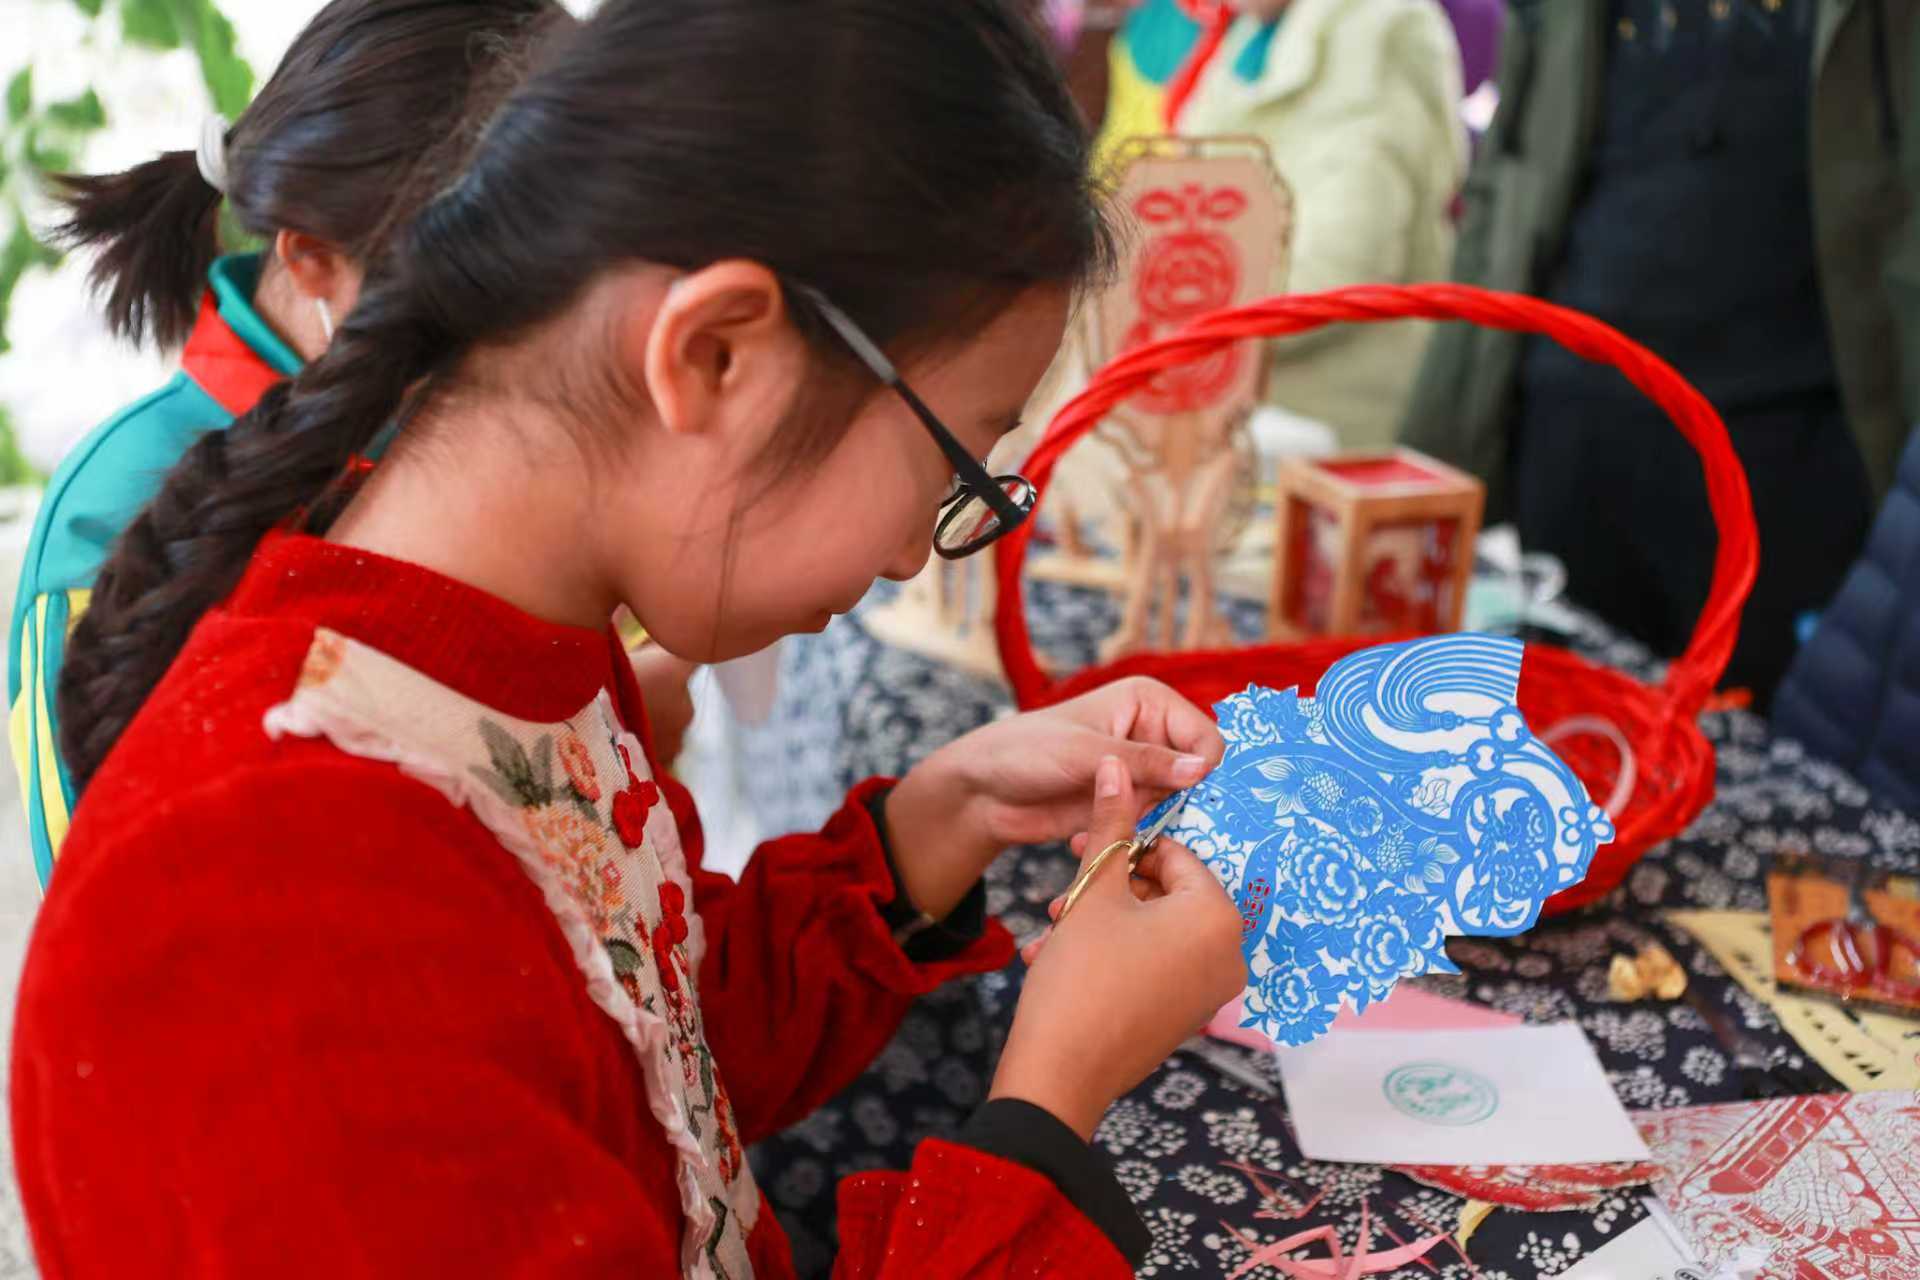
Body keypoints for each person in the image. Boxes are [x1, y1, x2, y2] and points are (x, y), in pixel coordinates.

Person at [12, 2, 1247, 1276]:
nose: (907, 556)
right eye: (954, 463)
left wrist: (945, 814)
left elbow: (652, 1073)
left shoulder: (512, 645)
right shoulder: (268, 904)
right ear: (715, 354)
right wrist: (1050, 1101)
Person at [4, 0, 604, 892]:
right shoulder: (114, 506)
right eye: (489, 280)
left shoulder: (501, 430)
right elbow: (102, 896)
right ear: (313, 258)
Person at [1403, 0, 1916, 705]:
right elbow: (1504, 191)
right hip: (1570, 430)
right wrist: (1433, 456)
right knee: (1562, 736)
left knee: (1765, 749)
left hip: (1790, 455)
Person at [1093, 0, 1466, 446]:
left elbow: (1339, 268)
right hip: (1237, 411)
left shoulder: (1377, 30)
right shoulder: (1255, 31)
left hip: (1321, 427)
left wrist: (1167, 326)